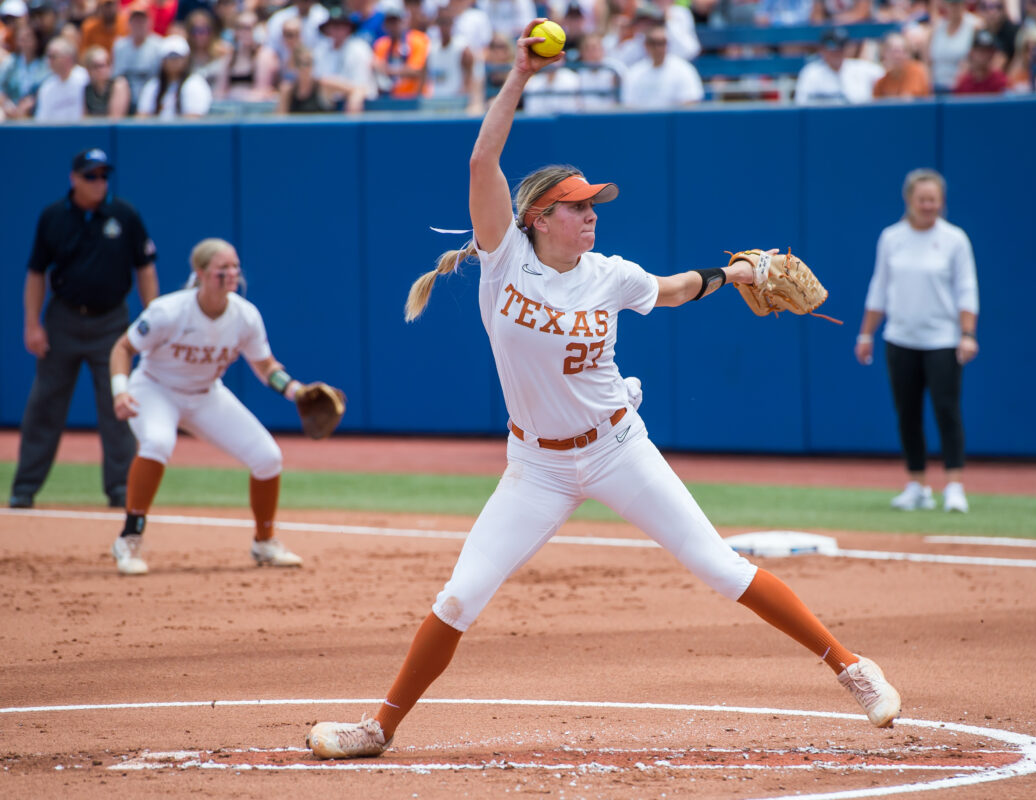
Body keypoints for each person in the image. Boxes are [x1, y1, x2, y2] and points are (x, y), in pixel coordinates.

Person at [304, 19, 902, 760]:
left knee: (718, 565)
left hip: (618, 447)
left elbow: (678, 288)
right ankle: (379, 728)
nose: (591, 214)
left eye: (594, 206)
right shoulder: (502, 258)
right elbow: (482, 156)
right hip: (536, 468)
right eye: (578, 206)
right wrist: (519, 74)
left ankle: (852, 669)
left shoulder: (609, 273)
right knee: (460, 596)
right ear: (538, 219)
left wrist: (736, 275)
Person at [106, 238, 306, 576]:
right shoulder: (169, 311)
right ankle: (129, 538)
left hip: (205, 394)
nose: (231, 274)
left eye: (234, 267)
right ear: (199, 273)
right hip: (156, 389)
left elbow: (266, 366)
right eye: (221, 269)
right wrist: (120, 391)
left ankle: (264, 541)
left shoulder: (244, 315)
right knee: (157, 442)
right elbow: (123, 348)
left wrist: (296, 391)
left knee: (268, 456)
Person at [9, 149, 159, 511]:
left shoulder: (124, 215)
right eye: (91, 176)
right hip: (64, 320)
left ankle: (121, 490)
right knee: (45, 405)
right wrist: (33, 324)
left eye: (104, 176)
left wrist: (152, 321)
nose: (99, 183)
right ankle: (24, 489)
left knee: (119, 407)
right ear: (74, 179)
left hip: (112, 323)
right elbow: (35, 274)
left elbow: (145, 268)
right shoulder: (53, 218)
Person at [855, 168, 979, 514]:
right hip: (900, 339)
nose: (928, 205)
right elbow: (879, 287)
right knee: (907, 413)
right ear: (909, 199)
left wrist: (967, 334)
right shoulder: (891, 238)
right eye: (922, 199)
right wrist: (866, 333)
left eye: (934, 200)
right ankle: (917, 485)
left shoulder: (955, 239)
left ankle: (954, 485)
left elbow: (967, 289)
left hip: (942, 339)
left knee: (946, 409)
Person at [622, 21, 703, 108]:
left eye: (662, 42)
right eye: (653, 43)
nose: (658, 48)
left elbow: (691, 103)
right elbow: (629, 106)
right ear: (646, 45)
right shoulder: (635, 73)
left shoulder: (684, 70)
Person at [794, 26, 883, 105]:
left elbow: (886, 77)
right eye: (832, 49)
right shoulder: (811, 73)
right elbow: (802, 105)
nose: (836, 53)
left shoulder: (864, 69)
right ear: (822, 50)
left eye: (840, 48)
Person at [136, 34, 212, 117]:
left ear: (186, 58)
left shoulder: (195, 84)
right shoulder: (153, 85)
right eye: (170, 56)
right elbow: (142, 117)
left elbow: (194, 120)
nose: (173, 61)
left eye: (177, 56)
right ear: (163, 60)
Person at [112, 1, 162, 104]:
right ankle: (115, 120)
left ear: (149, 22)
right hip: (126, 98)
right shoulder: (120, 46)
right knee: (119, 85)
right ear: (129, 22)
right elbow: (116, 76)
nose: (139, 24)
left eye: (142, 20)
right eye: (135, 20)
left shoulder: (159, 45)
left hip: (151, 96)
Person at [927, 0, 978, 92]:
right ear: (945, 5)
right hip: (935, 87)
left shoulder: (975, 25)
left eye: (957, 4)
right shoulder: (936, 27)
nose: (954, 7)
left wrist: (957, 84)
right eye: (951, 4)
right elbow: (927, 62)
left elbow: (974, 61)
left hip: (962, 88)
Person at [33, 35, 87, 119]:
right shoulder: (47, 87)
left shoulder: (85, 79)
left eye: (53, 56)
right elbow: (42, 120)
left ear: (67, 58)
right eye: (48, 57)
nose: (49, 61)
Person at [873, 31, 931, 99]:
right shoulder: (881, 82)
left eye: (903, 51)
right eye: (894, 51)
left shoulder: (917, 71)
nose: (898, 56)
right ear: (884, 53)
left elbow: (908, 101)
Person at [82, 43, 133, 116]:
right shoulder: (87, 89)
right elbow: (84, 118)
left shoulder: (119, 85)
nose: (103, 69)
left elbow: (115, 119)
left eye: (107, 63)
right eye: (97, 66)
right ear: (88, 69)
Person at [952, 29, 1007, 94]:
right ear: (972, 52)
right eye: (980, 51)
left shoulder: (1000, 81)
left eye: (987, 51)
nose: (984, 55)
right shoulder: (963, 82)